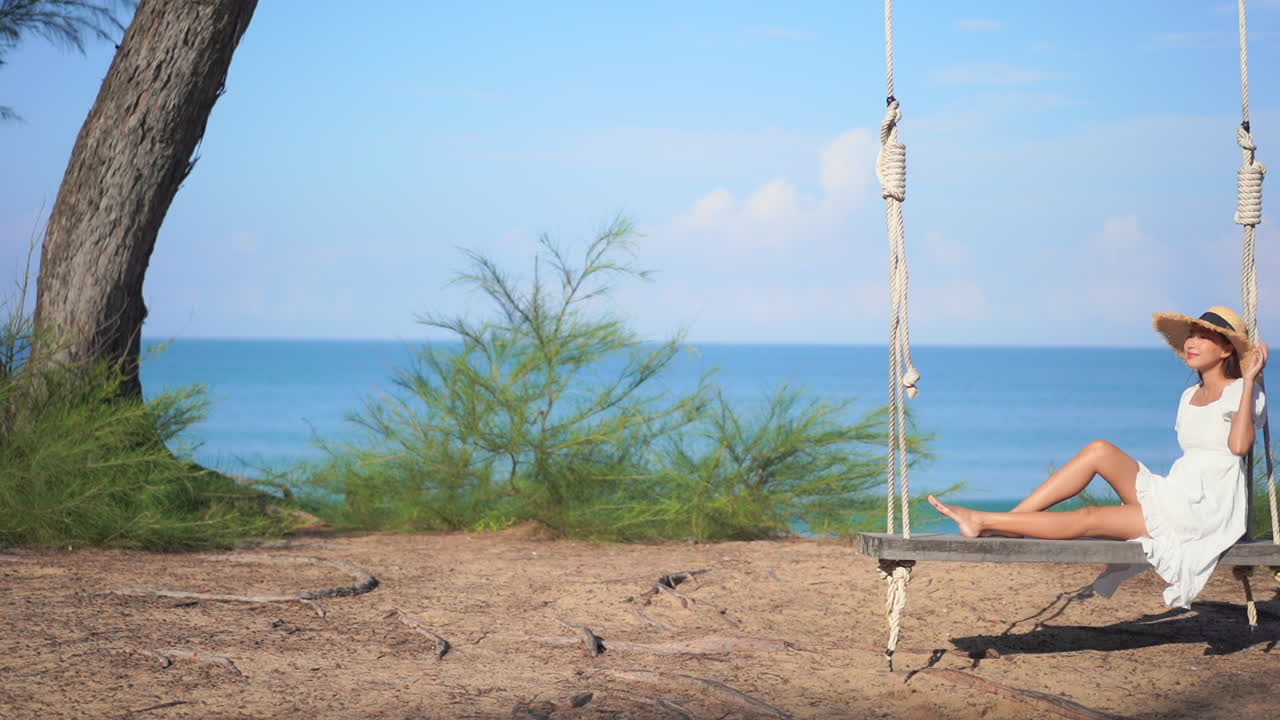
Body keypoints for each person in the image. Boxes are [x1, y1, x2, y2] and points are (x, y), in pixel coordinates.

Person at [928, 306, 1269, 608]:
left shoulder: (1243, 392)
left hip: (1204, 508)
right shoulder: (1189, 395)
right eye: (1192, 334)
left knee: (1090, 516)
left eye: (1205, 337)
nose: (1193, 342)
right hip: (1177, 491)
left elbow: (1239, 448)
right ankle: (1016, 521)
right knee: (1099, 450)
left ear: (1226, 350)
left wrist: (1250, 380)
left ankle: (986, 520)